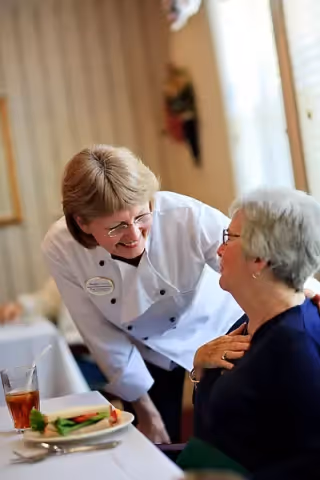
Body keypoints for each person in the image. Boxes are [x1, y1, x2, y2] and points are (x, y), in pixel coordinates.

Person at [41, 144, 319, 444]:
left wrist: (311, 293)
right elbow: (100, 336)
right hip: (148, 351)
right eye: (117, 227)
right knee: (157, 438)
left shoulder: (184, 215)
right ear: (82, 223)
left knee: (243, 422)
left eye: (141, 217)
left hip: (220, 324)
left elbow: (262, 255)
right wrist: (145, 410)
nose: (134, 235)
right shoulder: (60, 248)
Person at [192, 187, 320, 479]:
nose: (219, 250)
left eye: (229, 238)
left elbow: (310, 464)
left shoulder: (294, 345)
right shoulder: (248, 323)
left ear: (260, 258)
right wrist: (199, 367)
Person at [0, 278, 108, 391]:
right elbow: (44, 301)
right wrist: (18, 307)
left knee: (37, 382)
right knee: (23, 376)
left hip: (96, 362)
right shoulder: (66, 269)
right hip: (68, 355)